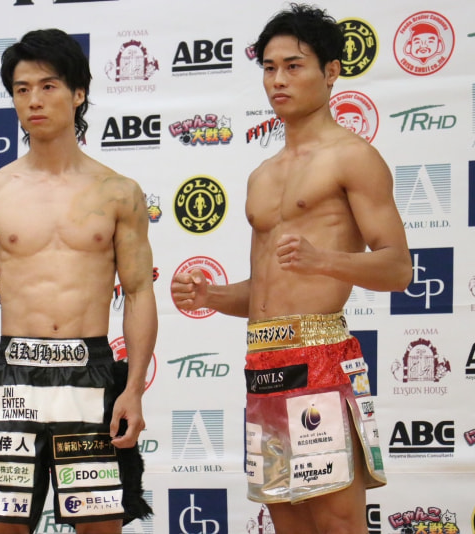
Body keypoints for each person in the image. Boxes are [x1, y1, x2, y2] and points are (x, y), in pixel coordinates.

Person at [171, 4, 411, 534]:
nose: (278, 80)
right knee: (287, 521)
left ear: (331, 72)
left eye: (294, 66)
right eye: (269, 68)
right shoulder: (261, 175)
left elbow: (399, 268)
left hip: (320, 356)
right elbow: (266, 290)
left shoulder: (353, 157)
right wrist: (211, 296)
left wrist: (324, 260)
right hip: (263, 361)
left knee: (337, 521)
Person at [0, 28, 156, 534]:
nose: (33, 100)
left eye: (48, 86)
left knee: (100, 527)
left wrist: (134, 389)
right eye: (22, 89)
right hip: (15, 375)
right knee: (2, 528)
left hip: (90, 372)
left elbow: (139, 292)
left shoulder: (119, 192)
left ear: (78, 93)